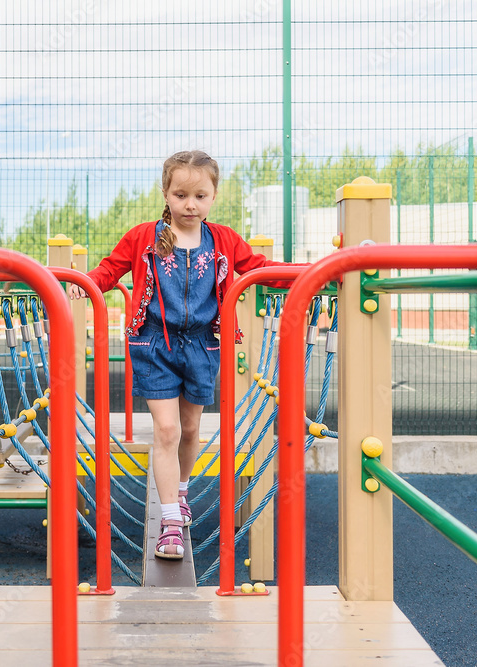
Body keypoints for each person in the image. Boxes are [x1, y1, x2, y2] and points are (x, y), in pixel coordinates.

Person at [70, 150, 290, 559]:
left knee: (190, 431)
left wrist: (303, 276)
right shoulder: (144, 237)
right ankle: (170, 520)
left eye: (200, 195)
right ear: (167, 194)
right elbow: (111, 267)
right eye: (182, 194)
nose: (191, 204)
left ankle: (181, 490)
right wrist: (88, 282)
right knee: (167, 431)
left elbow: (258, 267)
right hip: (154, 343)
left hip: (204, 344)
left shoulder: (222, 239)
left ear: (213, 197)